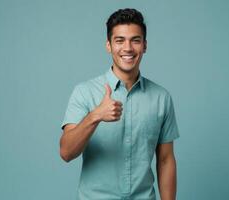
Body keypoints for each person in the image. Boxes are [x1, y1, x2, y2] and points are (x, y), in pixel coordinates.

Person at [60, 8, 180, 200]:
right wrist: (95, 116)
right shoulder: (84, 92)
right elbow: (66, 152)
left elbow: (165, 161)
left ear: (145, 45)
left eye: (135, 40)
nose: (128, 48)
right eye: (119, 40)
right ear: (108, 45)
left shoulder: (161, 98)